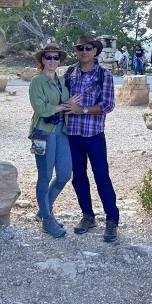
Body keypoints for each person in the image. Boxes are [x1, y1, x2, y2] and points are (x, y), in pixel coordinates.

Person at [64, 34, 119, 242]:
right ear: (77, 51)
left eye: (88, 48)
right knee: (78, 177)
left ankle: (112, 219)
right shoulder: (69, 73)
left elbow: (108, 105)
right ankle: (87, 215)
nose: (84, 51)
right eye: (80, 48)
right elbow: (62, 98)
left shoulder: (104, 75)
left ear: (95, 51)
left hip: (93, 134)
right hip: (72, 134)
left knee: (101, 176)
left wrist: (83, 109)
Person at [28, 43, 73, 238]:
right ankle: (47, 219)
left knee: (64, 173)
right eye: (49, 57)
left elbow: (69, 102)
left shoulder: (62, 80)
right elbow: (40, 108)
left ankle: (44, 209)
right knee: (45, 175)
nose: (53, 61)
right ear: (42, 60)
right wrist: (63, 106)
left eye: (56, 57)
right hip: (43, 131)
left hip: (61, 130)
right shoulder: (37, 81)